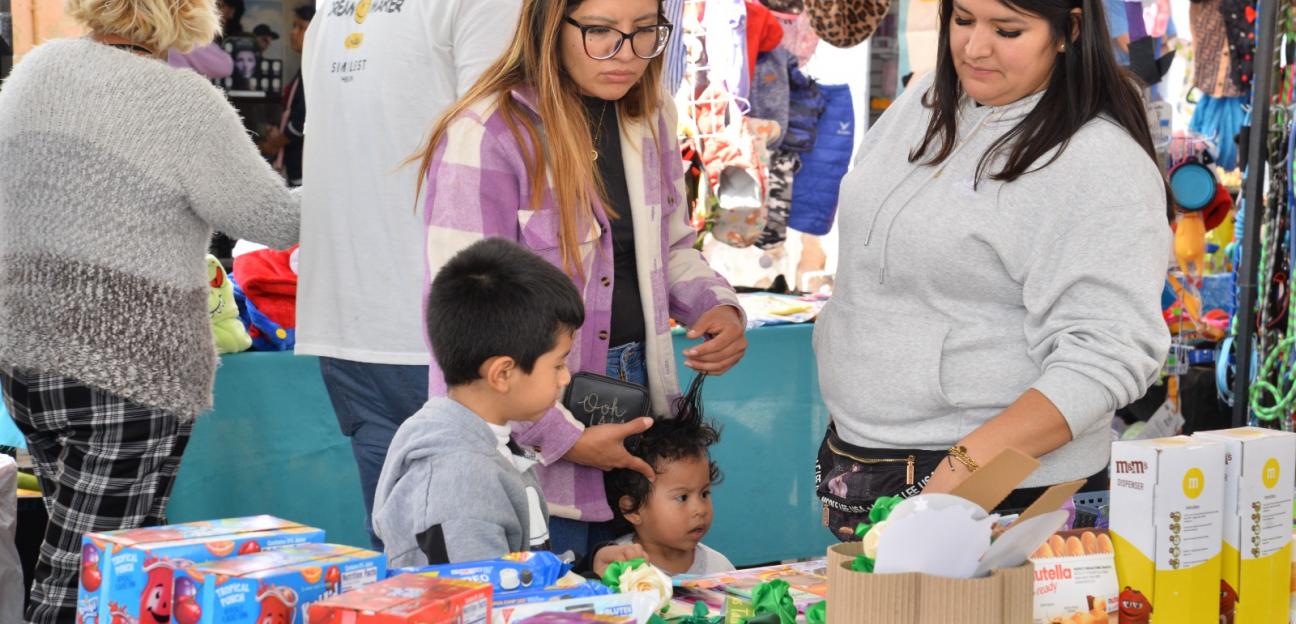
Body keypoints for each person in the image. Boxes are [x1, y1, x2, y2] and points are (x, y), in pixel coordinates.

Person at [813, 0, 1171, 538]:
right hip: (863, 460)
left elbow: (1107, 353)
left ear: (1067, 30)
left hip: (994, 490)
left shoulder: (1099, 161)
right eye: (962, 20)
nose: (975, 48)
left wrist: (960, 474)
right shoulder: (928, 96)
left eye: (1006, 30)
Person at [0, 0, 300, 619]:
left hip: (27, 359)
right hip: (127, 369)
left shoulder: (38, 69)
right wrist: (349, 181)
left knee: (114, 560)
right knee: (85, 574)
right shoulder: (182, 102)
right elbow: (271, 220)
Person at [417, 0, 748, 561]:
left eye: (645, 33)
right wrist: (561, 435)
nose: (626, 55)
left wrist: (715, 306)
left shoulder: (650, 117)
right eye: (600, 32)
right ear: (551, 23)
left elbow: (669, 250)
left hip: (638, 409)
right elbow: (462, 323)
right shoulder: (488, 133)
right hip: (527, 431)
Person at [299, 0, 522, 550]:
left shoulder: (332, 9)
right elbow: (508, 144)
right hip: (437, 325)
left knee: (413, 570)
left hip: (368, 317)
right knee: (474, 571)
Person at [373, 238, 642, 574]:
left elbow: (517, 573)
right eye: (558, 365)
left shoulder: (493, 440)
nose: (564, 379)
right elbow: (475, 599)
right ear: (502, 374)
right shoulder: (458, 482)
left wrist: (589, 568)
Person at [604, 386, 735, 575]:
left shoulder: (720, 569)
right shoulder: (617, 568)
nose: (700, 510)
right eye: (682, 497)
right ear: (631, 508)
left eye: (704, 493)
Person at [259, 5, 311, 186]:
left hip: (302, 164)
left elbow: (300, 121)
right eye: (293, 26)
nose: (293, 33)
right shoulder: (305, 67)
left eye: (301, 28)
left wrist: (275, 143)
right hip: (295, 161)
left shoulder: (313, 70)